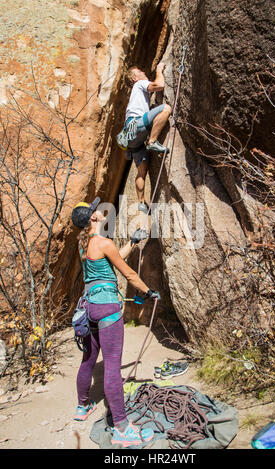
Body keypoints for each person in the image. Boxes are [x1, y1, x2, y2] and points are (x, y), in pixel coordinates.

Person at [71, 197, 160, 447]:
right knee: (111, 366)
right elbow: (128, 273)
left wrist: (131, 243)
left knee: (89, 358)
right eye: (95, 210)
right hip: (108, 308)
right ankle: (121, 427)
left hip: (89, 308)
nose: (99, 211)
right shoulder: (103, 242)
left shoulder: (84, 245)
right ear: (93, 218)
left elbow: (111, 260)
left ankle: (82, 406)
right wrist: (148, 292)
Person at [124, 63, 172, 214]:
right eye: (140, 71)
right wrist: (159, 70)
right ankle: (152, 141)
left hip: (130, 135)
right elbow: (159, 85)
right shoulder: (139, 84)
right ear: (134, 78)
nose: (144, 72)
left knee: (141, 171)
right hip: (137, 124)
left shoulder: (136, 94)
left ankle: (141, 202)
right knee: (166, 109)